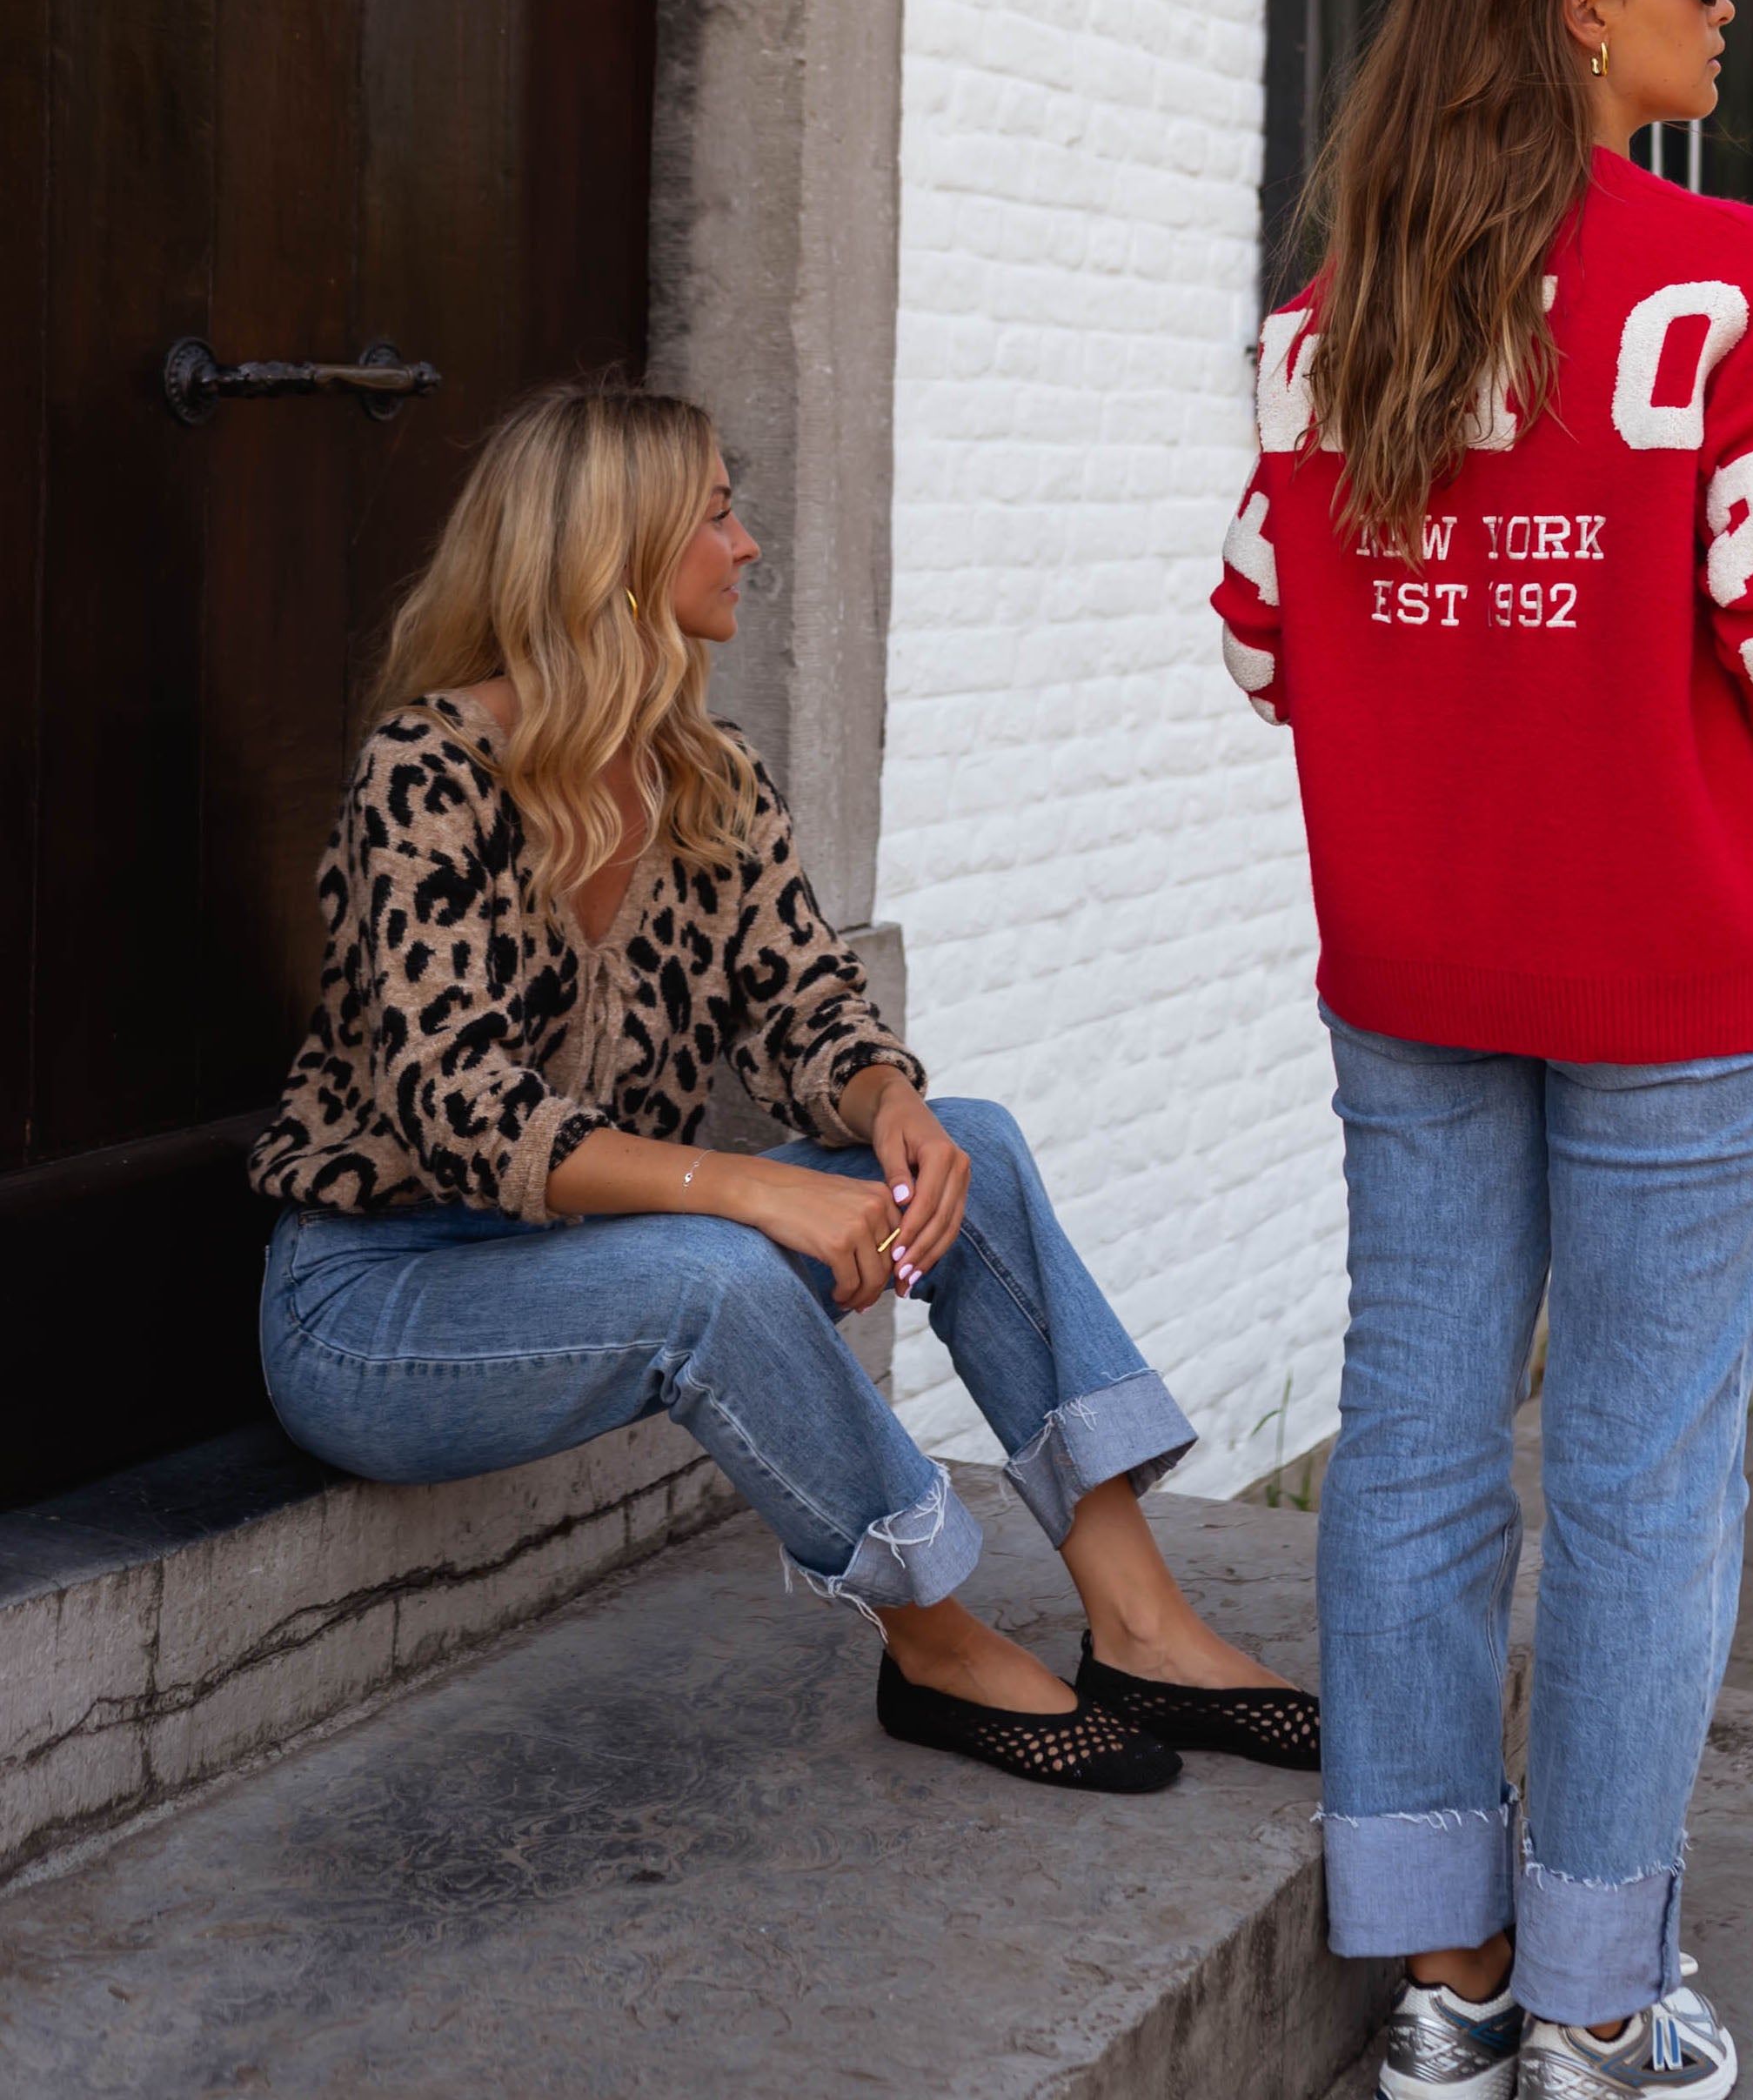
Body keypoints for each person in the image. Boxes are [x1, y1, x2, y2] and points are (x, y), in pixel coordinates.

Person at [1211, 0, 1753, 2100]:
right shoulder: (1727, 283)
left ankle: (1446, 1988)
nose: (1729, 8)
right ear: (1579, 5)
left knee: (1413, 1434)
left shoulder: (1334, 314)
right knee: (1632, 1463)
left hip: (1420, 961)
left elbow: (1260, 639)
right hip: (1683, 964)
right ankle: (1600, 2016)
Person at [253, 381, 1317, 1794]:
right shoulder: (429, 774)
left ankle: (1143, 1629)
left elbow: (808, 1006)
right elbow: (459, 1109)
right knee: (719, 1270)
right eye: (715, 515)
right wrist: (744, 1190)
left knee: (976, 1152)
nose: (748, 545)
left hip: (599, 1258)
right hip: (382, 1306)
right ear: (613, 554)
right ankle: (932, 1643)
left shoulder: (705, 776)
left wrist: (892, 1105)